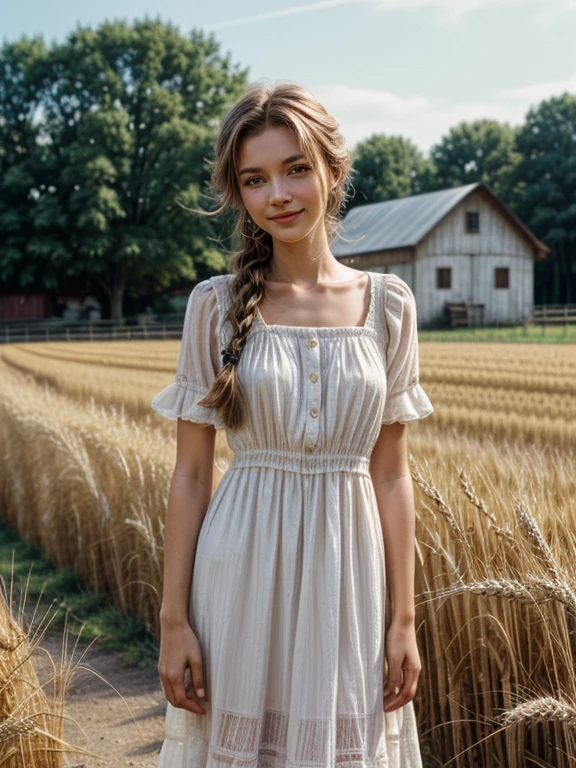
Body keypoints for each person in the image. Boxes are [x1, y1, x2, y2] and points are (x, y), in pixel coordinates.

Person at [150, 81, 434, 768]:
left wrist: (403, 619)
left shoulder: (389, 306)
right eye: (255, 179)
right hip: (238, 572)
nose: (278, 193)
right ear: (238, 194)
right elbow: (191, 475)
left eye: (295, 168)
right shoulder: (214, 307)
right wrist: (173, 621)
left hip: (350, 577)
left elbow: (391, 474)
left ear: (332, 171)